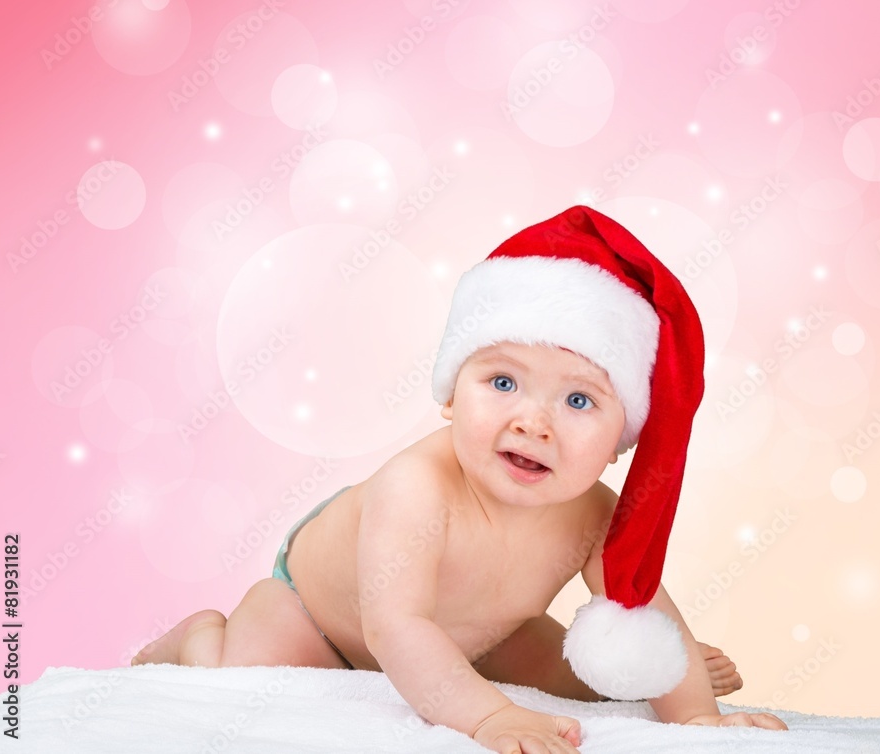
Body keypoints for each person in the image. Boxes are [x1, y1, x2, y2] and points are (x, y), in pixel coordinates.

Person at [133, 205, 788, 752]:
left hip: (479, 636)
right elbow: (396, 627)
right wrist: (489, 717)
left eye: (579, 401)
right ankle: (196, 635)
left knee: (586, 676)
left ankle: (667, 683)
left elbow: (636, 605)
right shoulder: (416, 487)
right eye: (502, 382)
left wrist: (693, 712)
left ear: (622, 438)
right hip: (322, 620)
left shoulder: (593, 517)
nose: (533, 422)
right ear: (451, 392)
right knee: (240, 675)